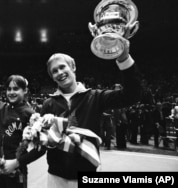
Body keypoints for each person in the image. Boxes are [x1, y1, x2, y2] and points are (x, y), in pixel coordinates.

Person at [39, 38, 141, 188]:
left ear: (73, 66)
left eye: (62, 67)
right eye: (54, 71)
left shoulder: (95, 97)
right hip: (56, 176)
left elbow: (131, 95)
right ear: (52, 77)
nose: (59, 73)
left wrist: (123, 58)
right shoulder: (48, 104)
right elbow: (41, 141)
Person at [0, 60, 45, 188]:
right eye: (9, 89)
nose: (11, 92)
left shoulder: (31, 115)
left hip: (16, 171)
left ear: (25, 91)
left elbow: (40, 149)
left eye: (16, 89)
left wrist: (17, 162)